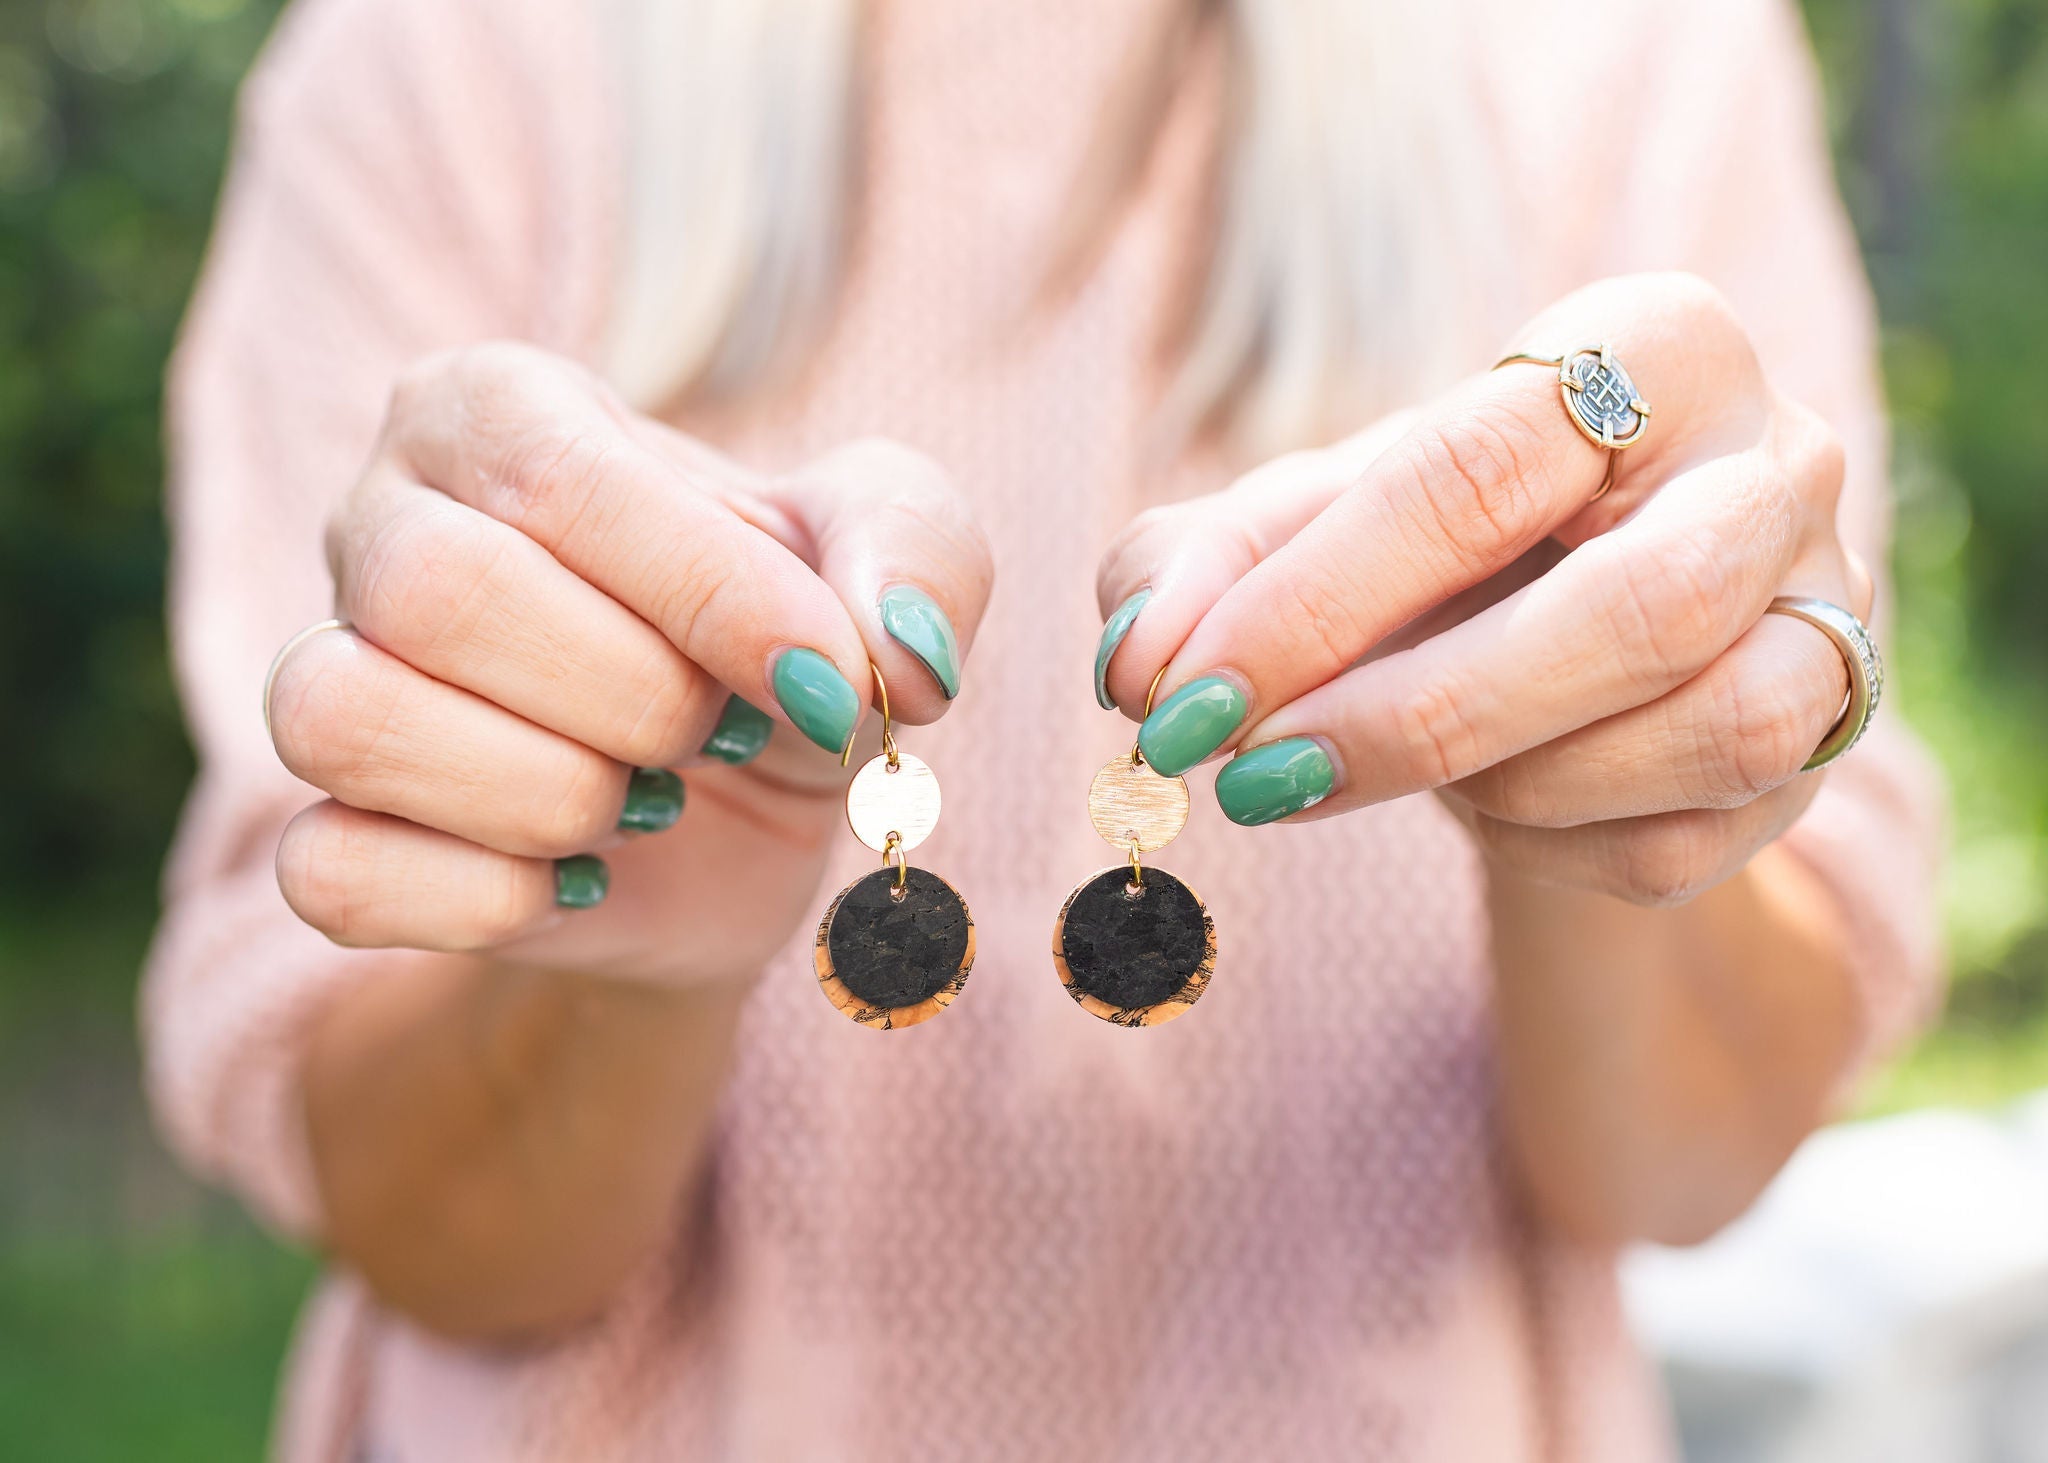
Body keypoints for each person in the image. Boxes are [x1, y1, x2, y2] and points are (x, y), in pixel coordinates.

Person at [143, 0, 1944, 1457]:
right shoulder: (440, 62)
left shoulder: (1630, 53)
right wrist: (616, 929)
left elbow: (1681, 1162)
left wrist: (1616, 758)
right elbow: (439, 1233)